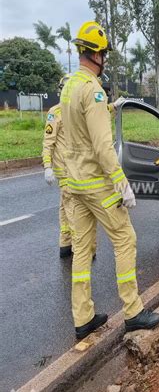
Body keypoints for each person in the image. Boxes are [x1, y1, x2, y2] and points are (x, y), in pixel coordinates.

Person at [61, 21, 159, 339]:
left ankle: (83, 317)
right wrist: (122, 183)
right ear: (97, 54)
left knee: (81, 250)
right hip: (96, 183)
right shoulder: (93, 91)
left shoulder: (69, 86)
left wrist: (110, 110)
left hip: (74, 183)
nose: (105, 59)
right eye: (104, 53)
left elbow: (79, 129)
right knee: (125, 239)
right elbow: (103, 146)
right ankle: (132, 311)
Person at [42, 74, 75, 258]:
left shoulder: (76, 111)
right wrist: (47, 166)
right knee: (73, 209)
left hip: (75, 168)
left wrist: (112, 107)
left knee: (65, 206)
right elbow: (48, 142)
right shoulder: (56, 112)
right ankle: (79, 248)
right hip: (66, 170)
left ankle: (65, 243)